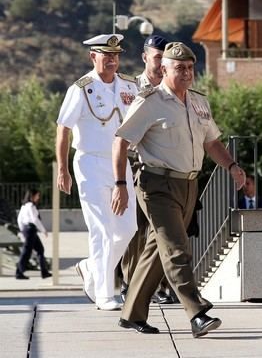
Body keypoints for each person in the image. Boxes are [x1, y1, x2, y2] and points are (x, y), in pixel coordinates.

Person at [111, 42, 246, 338]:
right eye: (178, 68)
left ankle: (132, 313)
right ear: (163, 70)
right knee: (176, 249)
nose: (186, 73)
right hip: (156, 184)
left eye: (189, 67)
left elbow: (211, 142)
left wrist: (233, 166)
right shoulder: (149, 101)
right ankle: (196, 312)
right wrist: (120, 184)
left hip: (189, 184)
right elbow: (121, 142)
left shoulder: (199, 102)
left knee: (158, 252)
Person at [56, 33, 138, 311]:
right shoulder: (81, 89)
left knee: (128, 229)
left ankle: (91, 267)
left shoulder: (129, 86)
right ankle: (104, 294)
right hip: (89, 163)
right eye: (107, 55)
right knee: (102, 230)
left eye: (116, 55)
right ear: (94, 57)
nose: (113, 60)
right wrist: (63, 169)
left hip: (120, 163)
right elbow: (63, 128)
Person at [119, 34, 175, 304]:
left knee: (164, 229)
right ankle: (130, 284)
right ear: (144, 57)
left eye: (165, 58)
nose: (160, 62)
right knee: (136, 229)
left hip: (164, 166)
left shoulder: (172, 88)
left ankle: (163, 286)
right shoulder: (129, 88)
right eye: (156, 57)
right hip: (134, 164)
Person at [15, 189, 51, 280]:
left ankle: (44, 272)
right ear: (32, 196)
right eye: (37, 195)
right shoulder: (31, 206)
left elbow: (19, 220)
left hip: (29, 230)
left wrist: (22, 230)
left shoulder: (24, 206)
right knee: (27, 252)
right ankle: (19, 272)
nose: (38, 197)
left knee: (39, 250)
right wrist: (43, 230)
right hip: (30, 230)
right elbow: (35, 219)